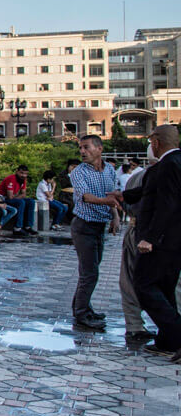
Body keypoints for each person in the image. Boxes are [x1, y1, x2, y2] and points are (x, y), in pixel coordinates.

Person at [131, 125, 181, 361]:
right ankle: (167, 341)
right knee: (164, 289)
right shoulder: (176, 162)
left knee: (144, 285)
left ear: (157, 143)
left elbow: (167, 204)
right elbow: (151, 192)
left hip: (161, 240)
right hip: (174, 240)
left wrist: (150, 238)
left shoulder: (168, 165)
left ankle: (176, 335)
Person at [69, 135, 122, 331]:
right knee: (89, 272)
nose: (82, 152)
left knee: (90, 270)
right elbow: (86, 197)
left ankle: (81, 307)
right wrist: (107, 203)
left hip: (99, 225)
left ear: (99, 148)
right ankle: (82, 314)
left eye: (86, 147)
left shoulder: (109, 169)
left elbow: (111, 194)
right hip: (84, 225)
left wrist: (114, 215)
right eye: (80, 148)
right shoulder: (78, 173)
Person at [118, 152, 156, 347]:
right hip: (160, 235)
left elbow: (125, 203)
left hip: (134, 230)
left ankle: (134, 325)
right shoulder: (167, 174)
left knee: (129, 280)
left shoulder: (136, 177)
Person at [0, 165, 36, 236]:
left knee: (31, 201)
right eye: (21, 173)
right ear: (17, 172)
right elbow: (10, 197)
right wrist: (18, 196)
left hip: (13, 198)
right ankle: (17, 228)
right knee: (21, 202)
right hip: (3, 199)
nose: (24, 175)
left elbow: (23, 194)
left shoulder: (23, 180)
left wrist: (16, 196)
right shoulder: (11, 179)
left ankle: (28, 226)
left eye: (25, 174)